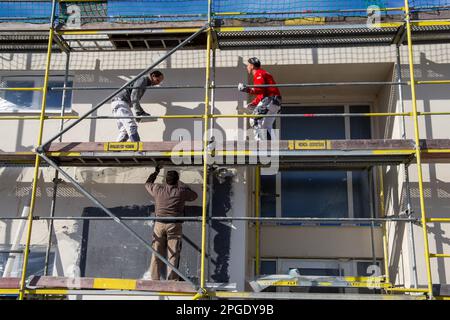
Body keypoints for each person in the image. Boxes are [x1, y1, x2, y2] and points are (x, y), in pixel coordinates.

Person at [144, 167, 198, 281]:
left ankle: (154, 278)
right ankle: (172, 279)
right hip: (174, 224)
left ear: (165, 180)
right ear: (177, 180)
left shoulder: (158, 189)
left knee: (156, 252)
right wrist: (183, 185)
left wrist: (155, 172)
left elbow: (147, 183)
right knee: (173, 253)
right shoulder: (181, 192)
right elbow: (194, 196)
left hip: (159, 224)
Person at [111, 70, 164, 142]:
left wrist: (141, 112)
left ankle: (115, 151)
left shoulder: (144, 82)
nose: (157, 83)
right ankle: (138, 149)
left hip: (119, 104)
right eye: (157, 80)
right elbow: (134, 96)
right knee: (131, 126)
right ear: (153, 75)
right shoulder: (143, 80)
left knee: (125, 131)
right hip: (121, 103)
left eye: (159, 82)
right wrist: (139, 112)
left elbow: (134, 99)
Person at [238, 57, 282, 141]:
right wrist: (253, 103)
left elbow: (259, 89)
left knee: (254, 119)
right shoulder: (264, 73)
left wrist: (246, 89)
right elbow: (262, 94)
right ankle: (273, 144)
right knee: (266, 125)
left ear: (252, 66)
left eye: (247, 65)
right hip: (275, 102)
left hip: (270, 99)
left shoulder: (258, 73)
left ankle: (258, 142)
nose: (247, 67)